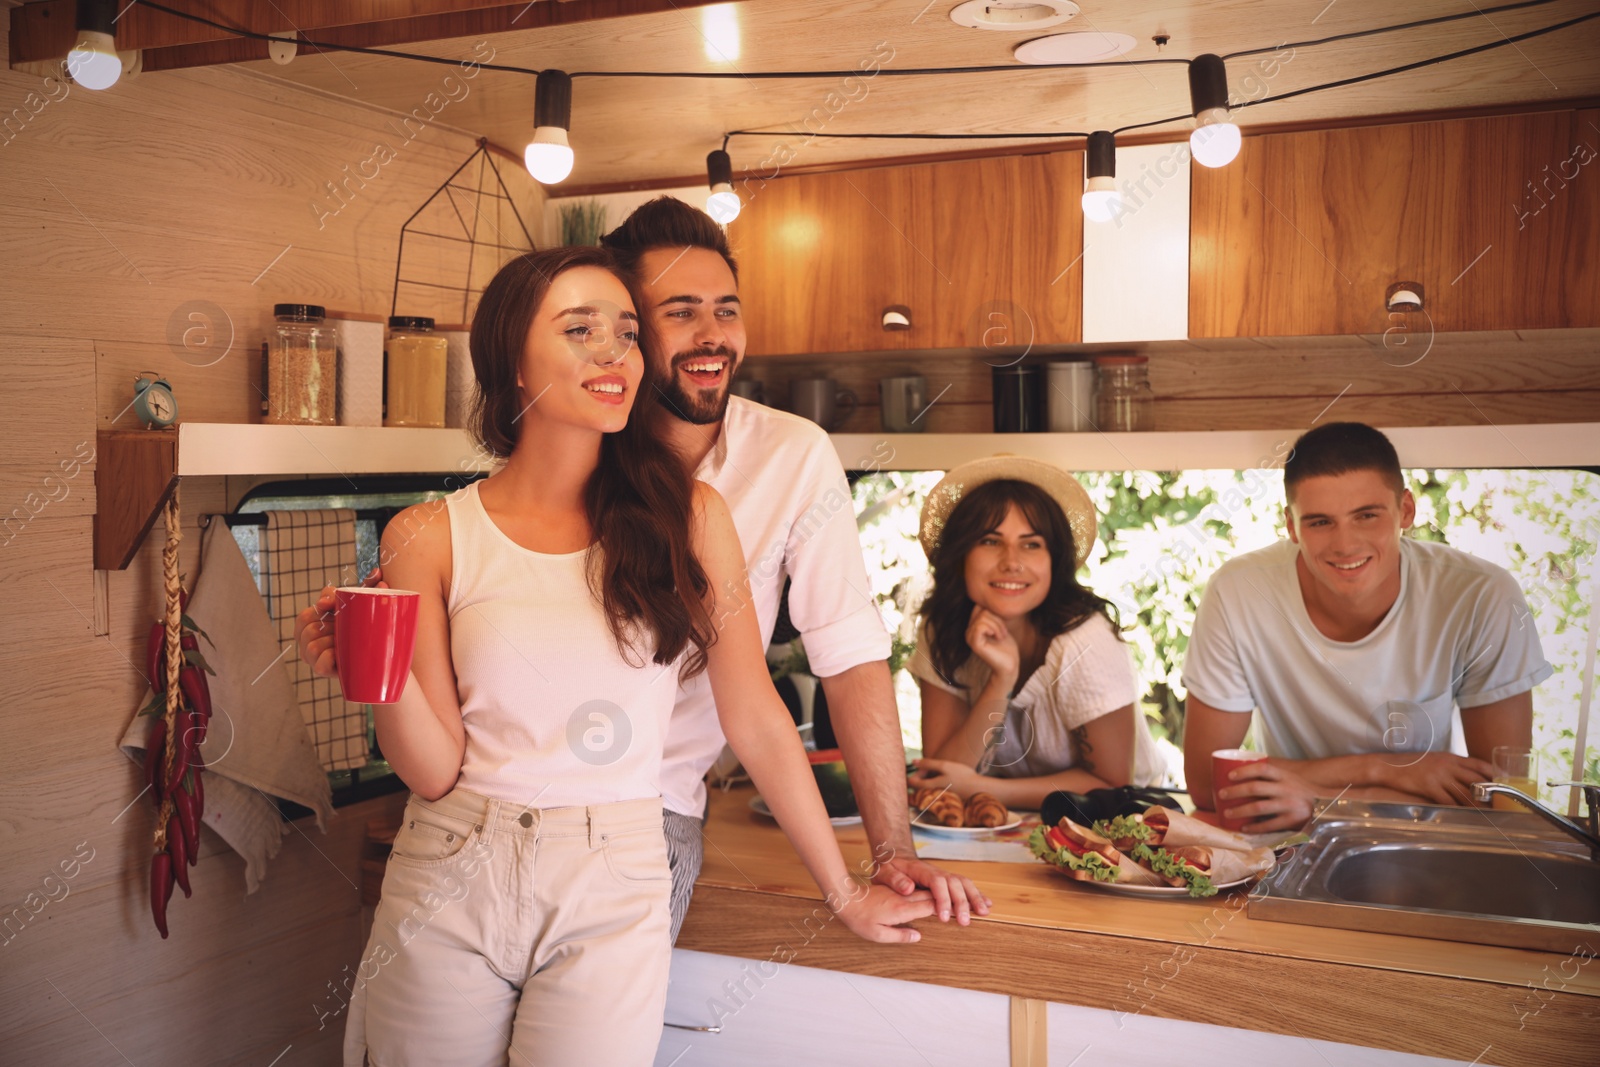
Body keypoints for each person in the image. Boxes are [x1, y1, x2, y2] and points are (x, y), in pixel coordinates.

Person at [295, 247, 933, 1067]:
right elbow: (433, 767)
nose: (615, 352)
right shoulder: (427, 534)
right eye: (580, 329)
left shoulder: (691, 519)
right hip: (453, 862)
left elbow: (756, 716)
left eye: (627, 332)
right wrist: (372, 677)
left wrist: (844, 889)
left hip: (617, 868)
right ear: (512, 364)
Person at [599, 198, 988, 937]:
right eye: (680, 312)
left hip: (650, 817)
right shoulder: (578, 447)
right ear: (628, 329)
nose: (712, 334)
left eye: (726, 309)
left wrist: (890, 851)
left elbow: (848, 656)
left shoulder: (794, 455)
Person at [1183, 421, 1550, 832]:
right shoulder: (1238, 591)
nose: (1345, 544)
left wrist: (1315, 800)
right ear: (1291, 526)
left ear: (1405, 510)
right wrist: (1392, 769)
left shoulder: (1482, 595)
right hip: (1286, 841)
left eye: (1367, 516)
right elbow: (1206, 784)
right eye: (1320, 522)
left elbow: (1502, 794)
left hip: (1419, 837)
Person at [904, 457, 1164, 809]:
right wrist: (1001, 679)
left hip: (1124, 818)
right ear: (960, 553)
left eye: (1031, 544)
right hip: (1004, 824)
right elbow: (945, 777)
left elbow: (1111, 785)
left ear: (1054, 561)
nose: (1012, 561)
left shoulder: (1086, 641)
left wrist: (984, 789)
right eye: (990, 541)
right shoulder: (942, 627)